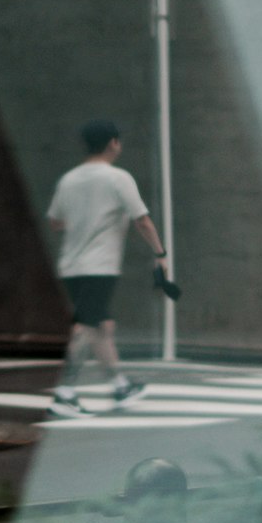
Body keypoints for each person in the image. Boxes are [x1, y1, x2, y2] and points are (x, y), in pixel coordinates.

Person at [45, 118, 168, 416]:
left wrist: (84, 221)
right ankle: (65, 392)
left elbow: (55, 222)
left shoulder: (69, 180)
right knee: (86, 326)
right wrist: (160, 253)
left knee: (102, 326)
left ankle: (119, 385)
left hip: (71, 265)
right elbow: (142, 219)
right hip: (99, 265)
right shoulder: (118, 178)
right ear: (114, 143)